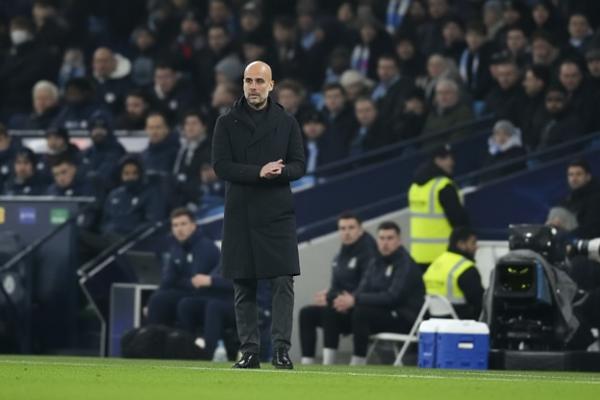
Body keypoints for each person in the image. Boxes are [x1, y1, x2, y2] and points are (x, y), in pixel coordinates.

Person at [211, 61, 306, 369]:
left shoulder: (287, 122)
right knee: (244, 284)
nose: (253, 86)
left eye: (259, 81)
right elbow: (220, 166)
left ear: (271, 85)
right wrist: (258, 172)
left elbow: (299, 165)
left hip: (277, 212)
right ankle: (250, 351)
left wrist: (279, 172)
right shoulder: (226, 122)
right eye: (248, 81)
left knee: (283, 281)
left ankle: (281, 351)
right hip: (241, 213)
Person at [333, 221, 424, 365]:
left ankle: (357, 364)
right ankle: (321, 364)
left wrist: (355, 300)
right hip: (384, 313)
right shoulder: (376, 261)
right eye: (381, 238)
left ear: (399, 240)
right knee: (325, 311)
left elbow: (392, 297)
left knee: (361, 312)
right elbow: (363, 289)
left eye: (390, 238)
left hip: (404, 319)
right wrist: (347, 301)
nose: (385, 243)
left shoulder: (406, 264)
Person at [298, 212, 377, 365]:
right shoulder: (340, 254)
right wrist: (330, 295)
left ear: (360, 229)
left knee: (330, 310)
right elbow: (335, 285)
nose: (346, 232)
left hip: (362, 309)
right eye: (342, 228)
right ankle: (306, 362)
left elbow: (368, 286)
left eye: (351, 228)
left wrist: (334, 298)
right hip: (341, 306)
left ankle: (329, 363)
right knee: (306, 313)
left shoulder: (369, 253)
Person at [146, 208, 223, 331]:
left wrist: (178, 281)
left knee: (163, 301)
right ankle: (155, 338)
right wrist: (149, 303)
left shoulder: (206, 247)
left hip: (206, 294)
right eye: (175, 225)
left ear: (193, 225)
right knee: (156, 299)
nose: (179, 229)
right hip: (186, 292)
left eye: (183, 224)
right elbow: (168, 279)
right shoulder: (176, 248)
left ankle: (163, 338)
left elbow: (196, 282)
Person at [409, 145, 469, 271]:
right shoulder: (443, 186)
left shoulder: (414, 187)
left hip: (419, 256)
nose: (452, 162)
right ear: (438, 160)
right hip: (443, 256)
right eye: (449, 158)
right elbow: (458, 220)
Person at [423, 227, 484, 319]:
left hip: (432, 321)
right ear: (461, 244)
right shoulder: (466, 269)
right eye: (473, 243)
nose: (476, 247)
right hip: (458, 321)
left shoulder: (436, 263)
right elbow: (480, 303)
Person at [558, 159, 600, 239]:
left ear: (588, 177)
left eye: (578, 174)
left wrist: (564, 233)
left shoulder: (596, 197)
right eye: (570, 175)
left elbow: (592, 229)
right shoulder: (568, 199)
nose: (574, 178)